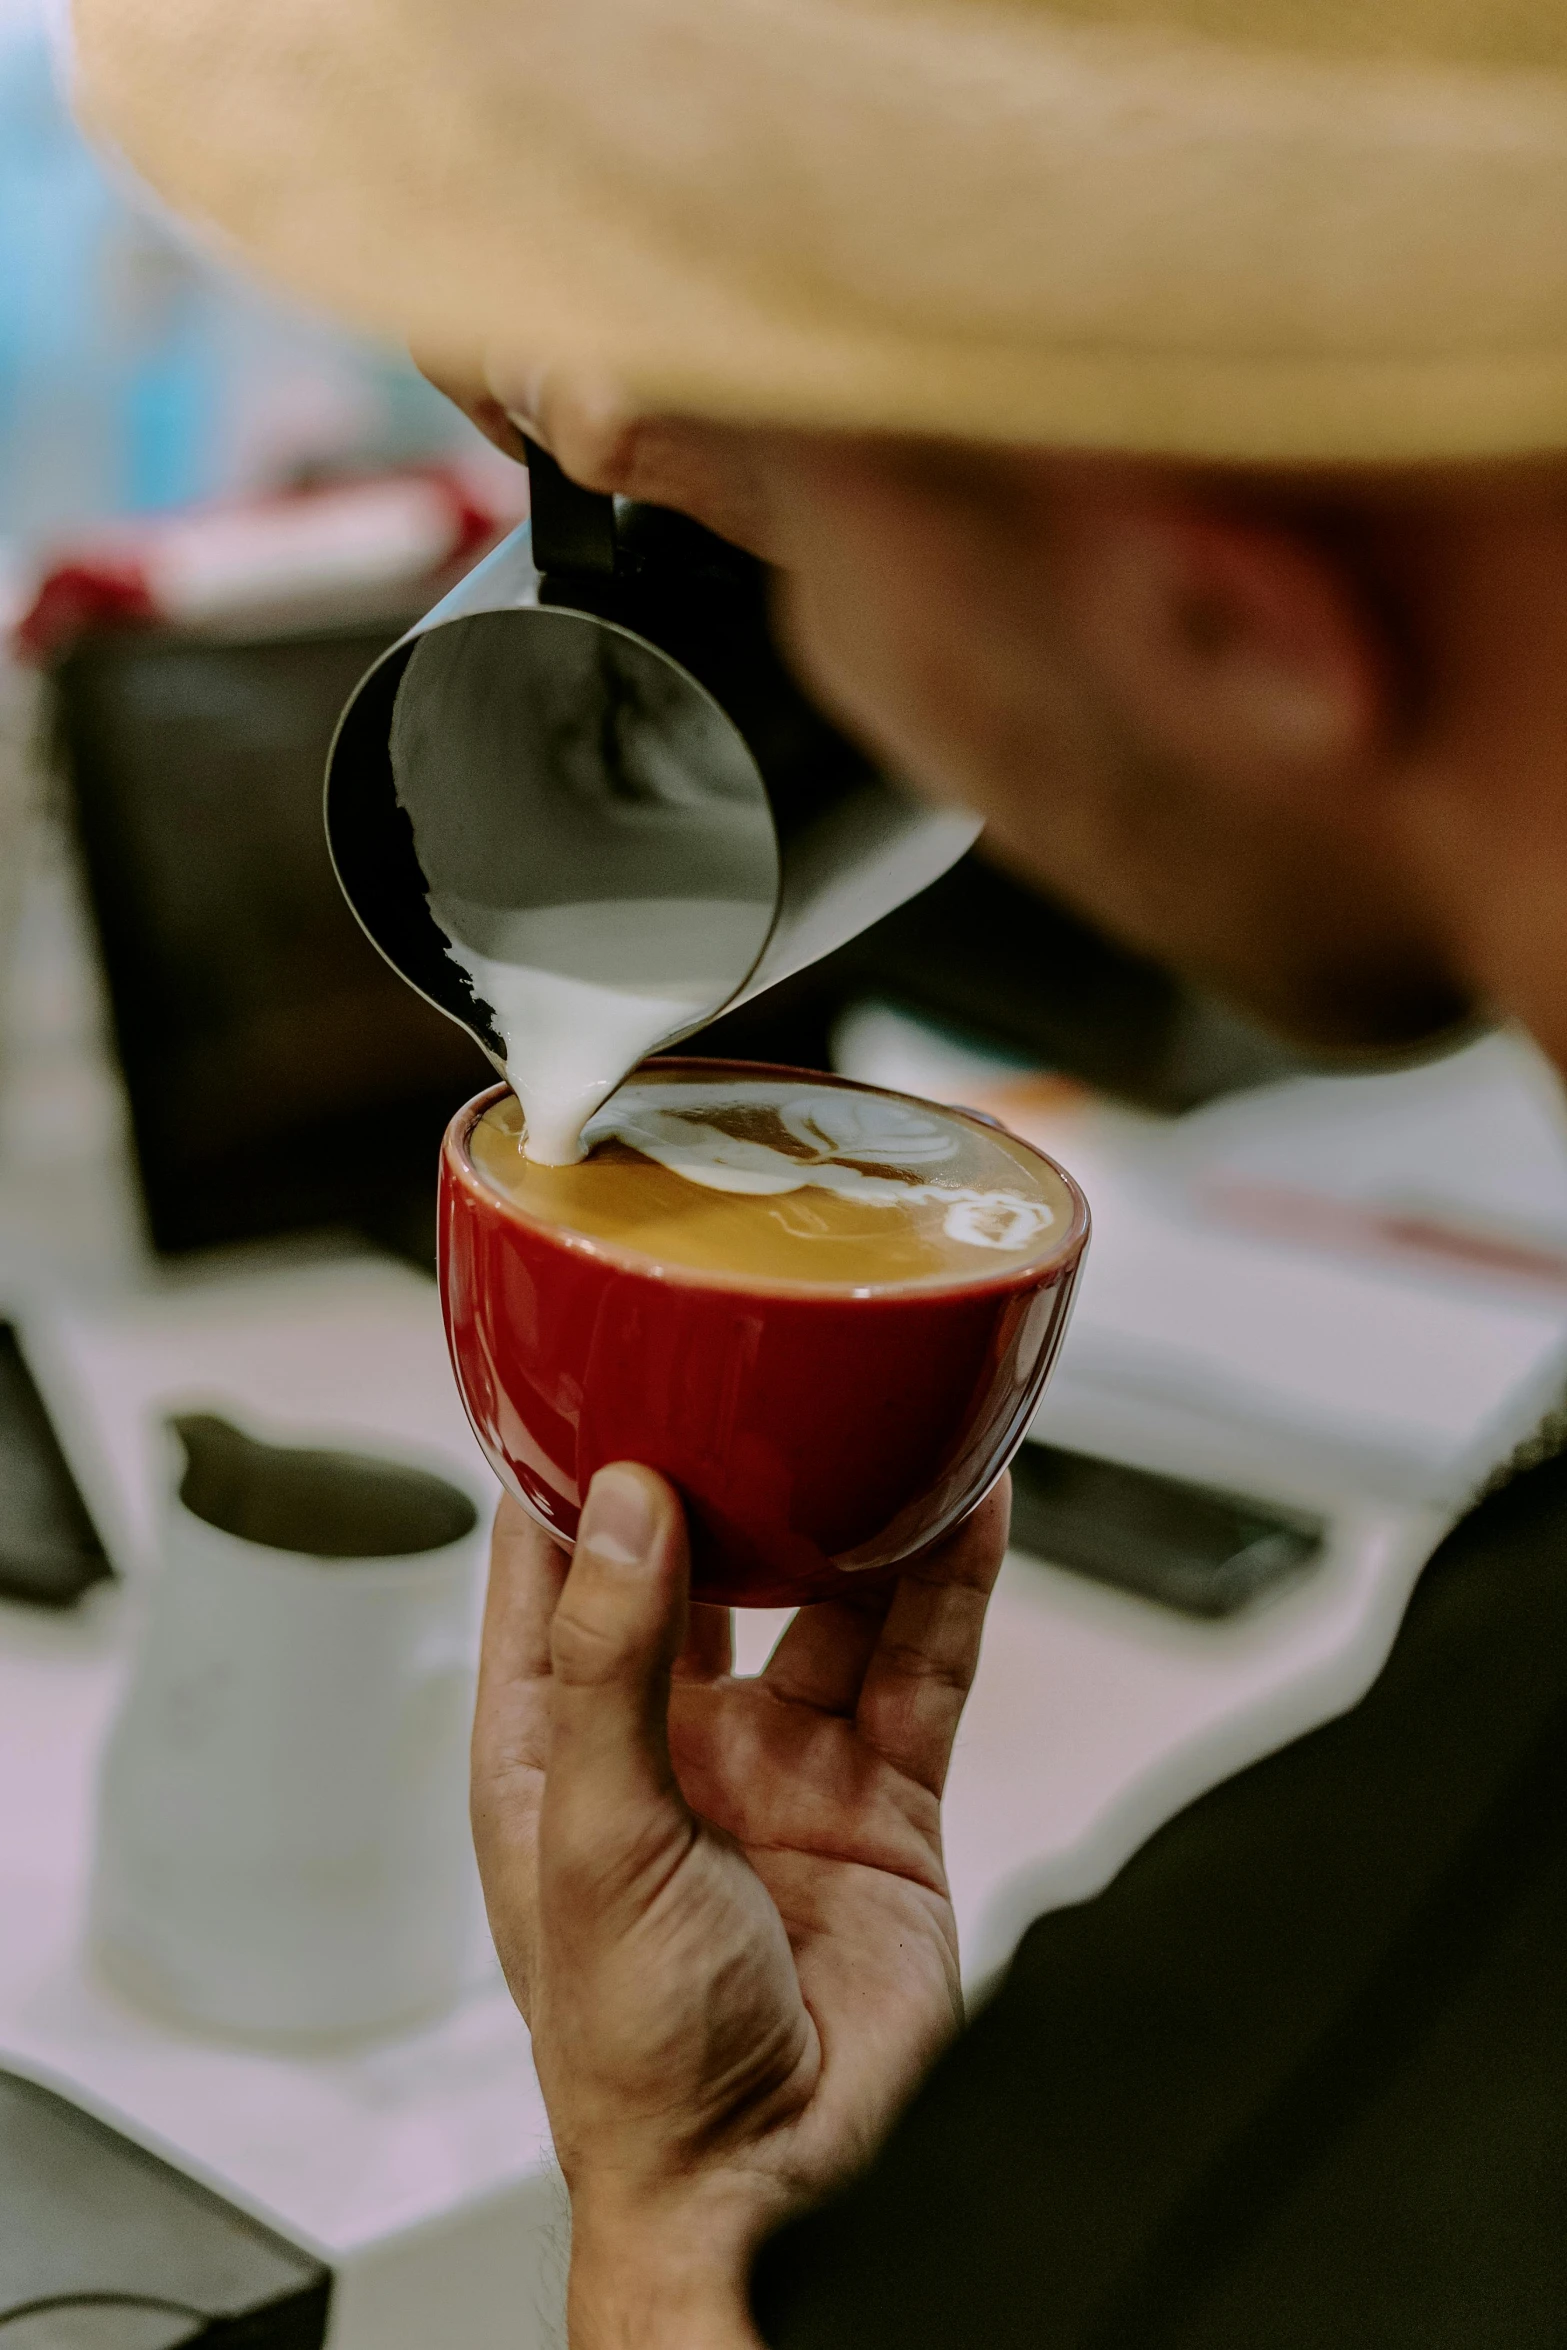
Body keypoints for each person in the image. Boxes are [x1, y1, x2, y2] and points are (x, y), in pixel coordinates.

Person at [67, 0, 1567, 2339]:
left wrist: (705, 2240)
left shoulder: (1304, 2091)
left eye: (833, 564)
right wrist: (757, 2180)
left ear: (1226, 612)